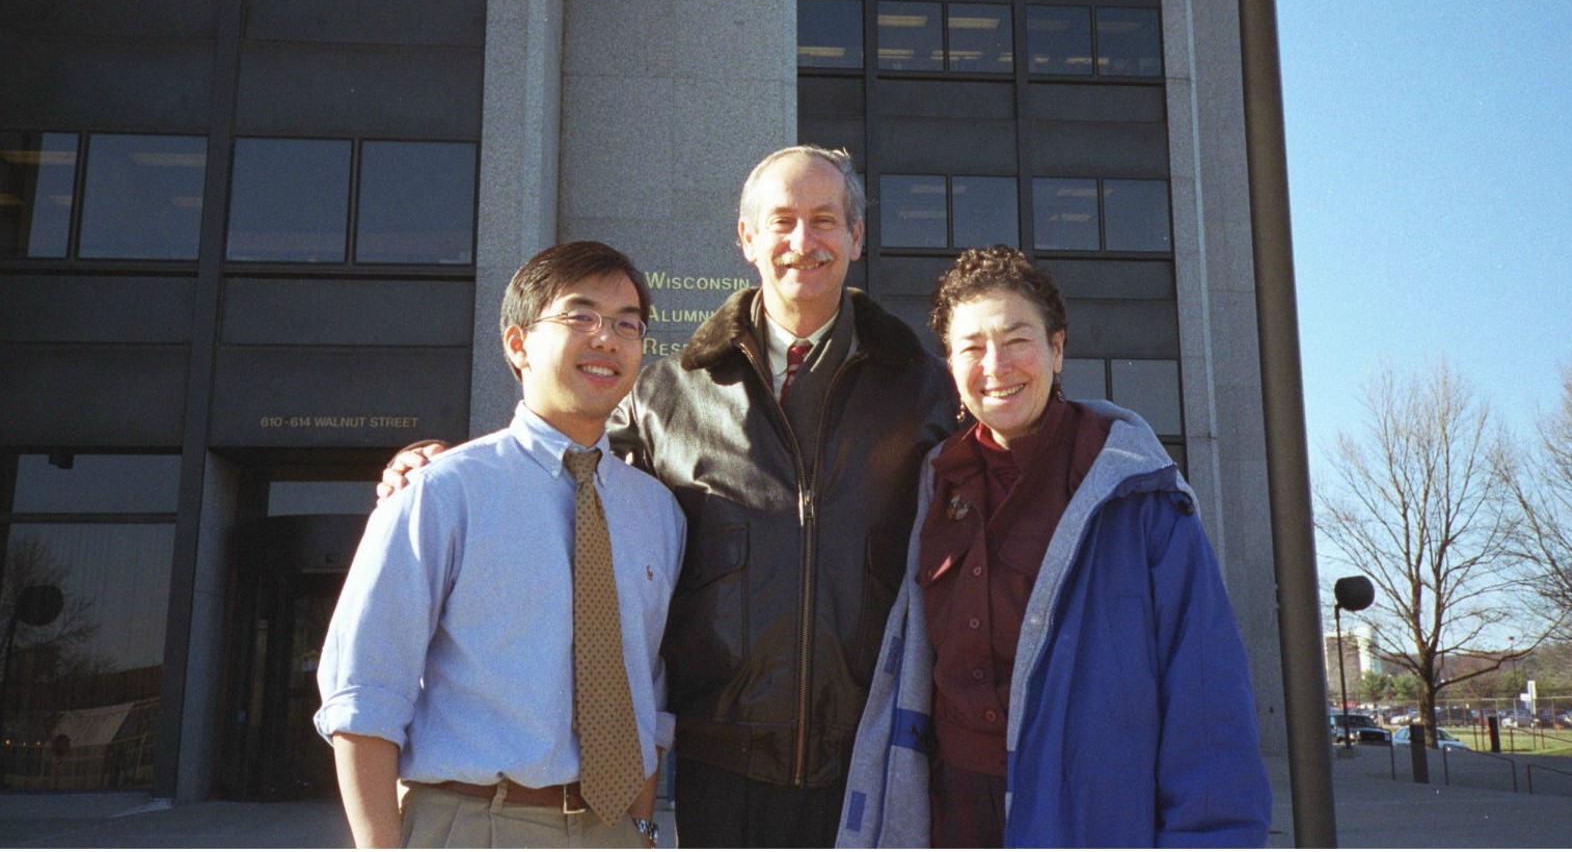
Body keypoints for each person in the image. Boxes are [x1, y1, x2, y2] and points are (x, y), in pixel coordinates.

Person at [384, 146, 958, 848]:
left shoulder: (932, 391)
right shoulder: (662, 395)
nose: (802, 243)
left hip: (875, 758)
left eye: (824, 221)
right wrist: (438, 462)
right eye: (780, 222)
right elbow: (568, 473)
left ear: (856, 237)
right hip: (722, 767)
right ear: (746, 238)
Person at [836, 245, 1271, 848]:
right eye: (972, 347)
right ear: (950, 365)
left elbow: (1207, 702)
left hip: (1086, 816)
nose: (996, 365)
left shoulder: (1138, 494)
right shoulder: (935, 483)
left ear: (1057, 349)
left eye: (1018, 339)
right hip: (951, 814)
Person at [318, 241, 685, 848]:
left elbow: (648, 691)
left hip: (613, 832)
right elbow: (364, 695)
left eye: (628, 323)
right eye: (580, 316)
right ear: (518, 344)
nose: (607, 338)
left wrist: (641, 828)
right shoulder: (442, 493)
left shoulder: (657, 513)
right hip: (475, 823)